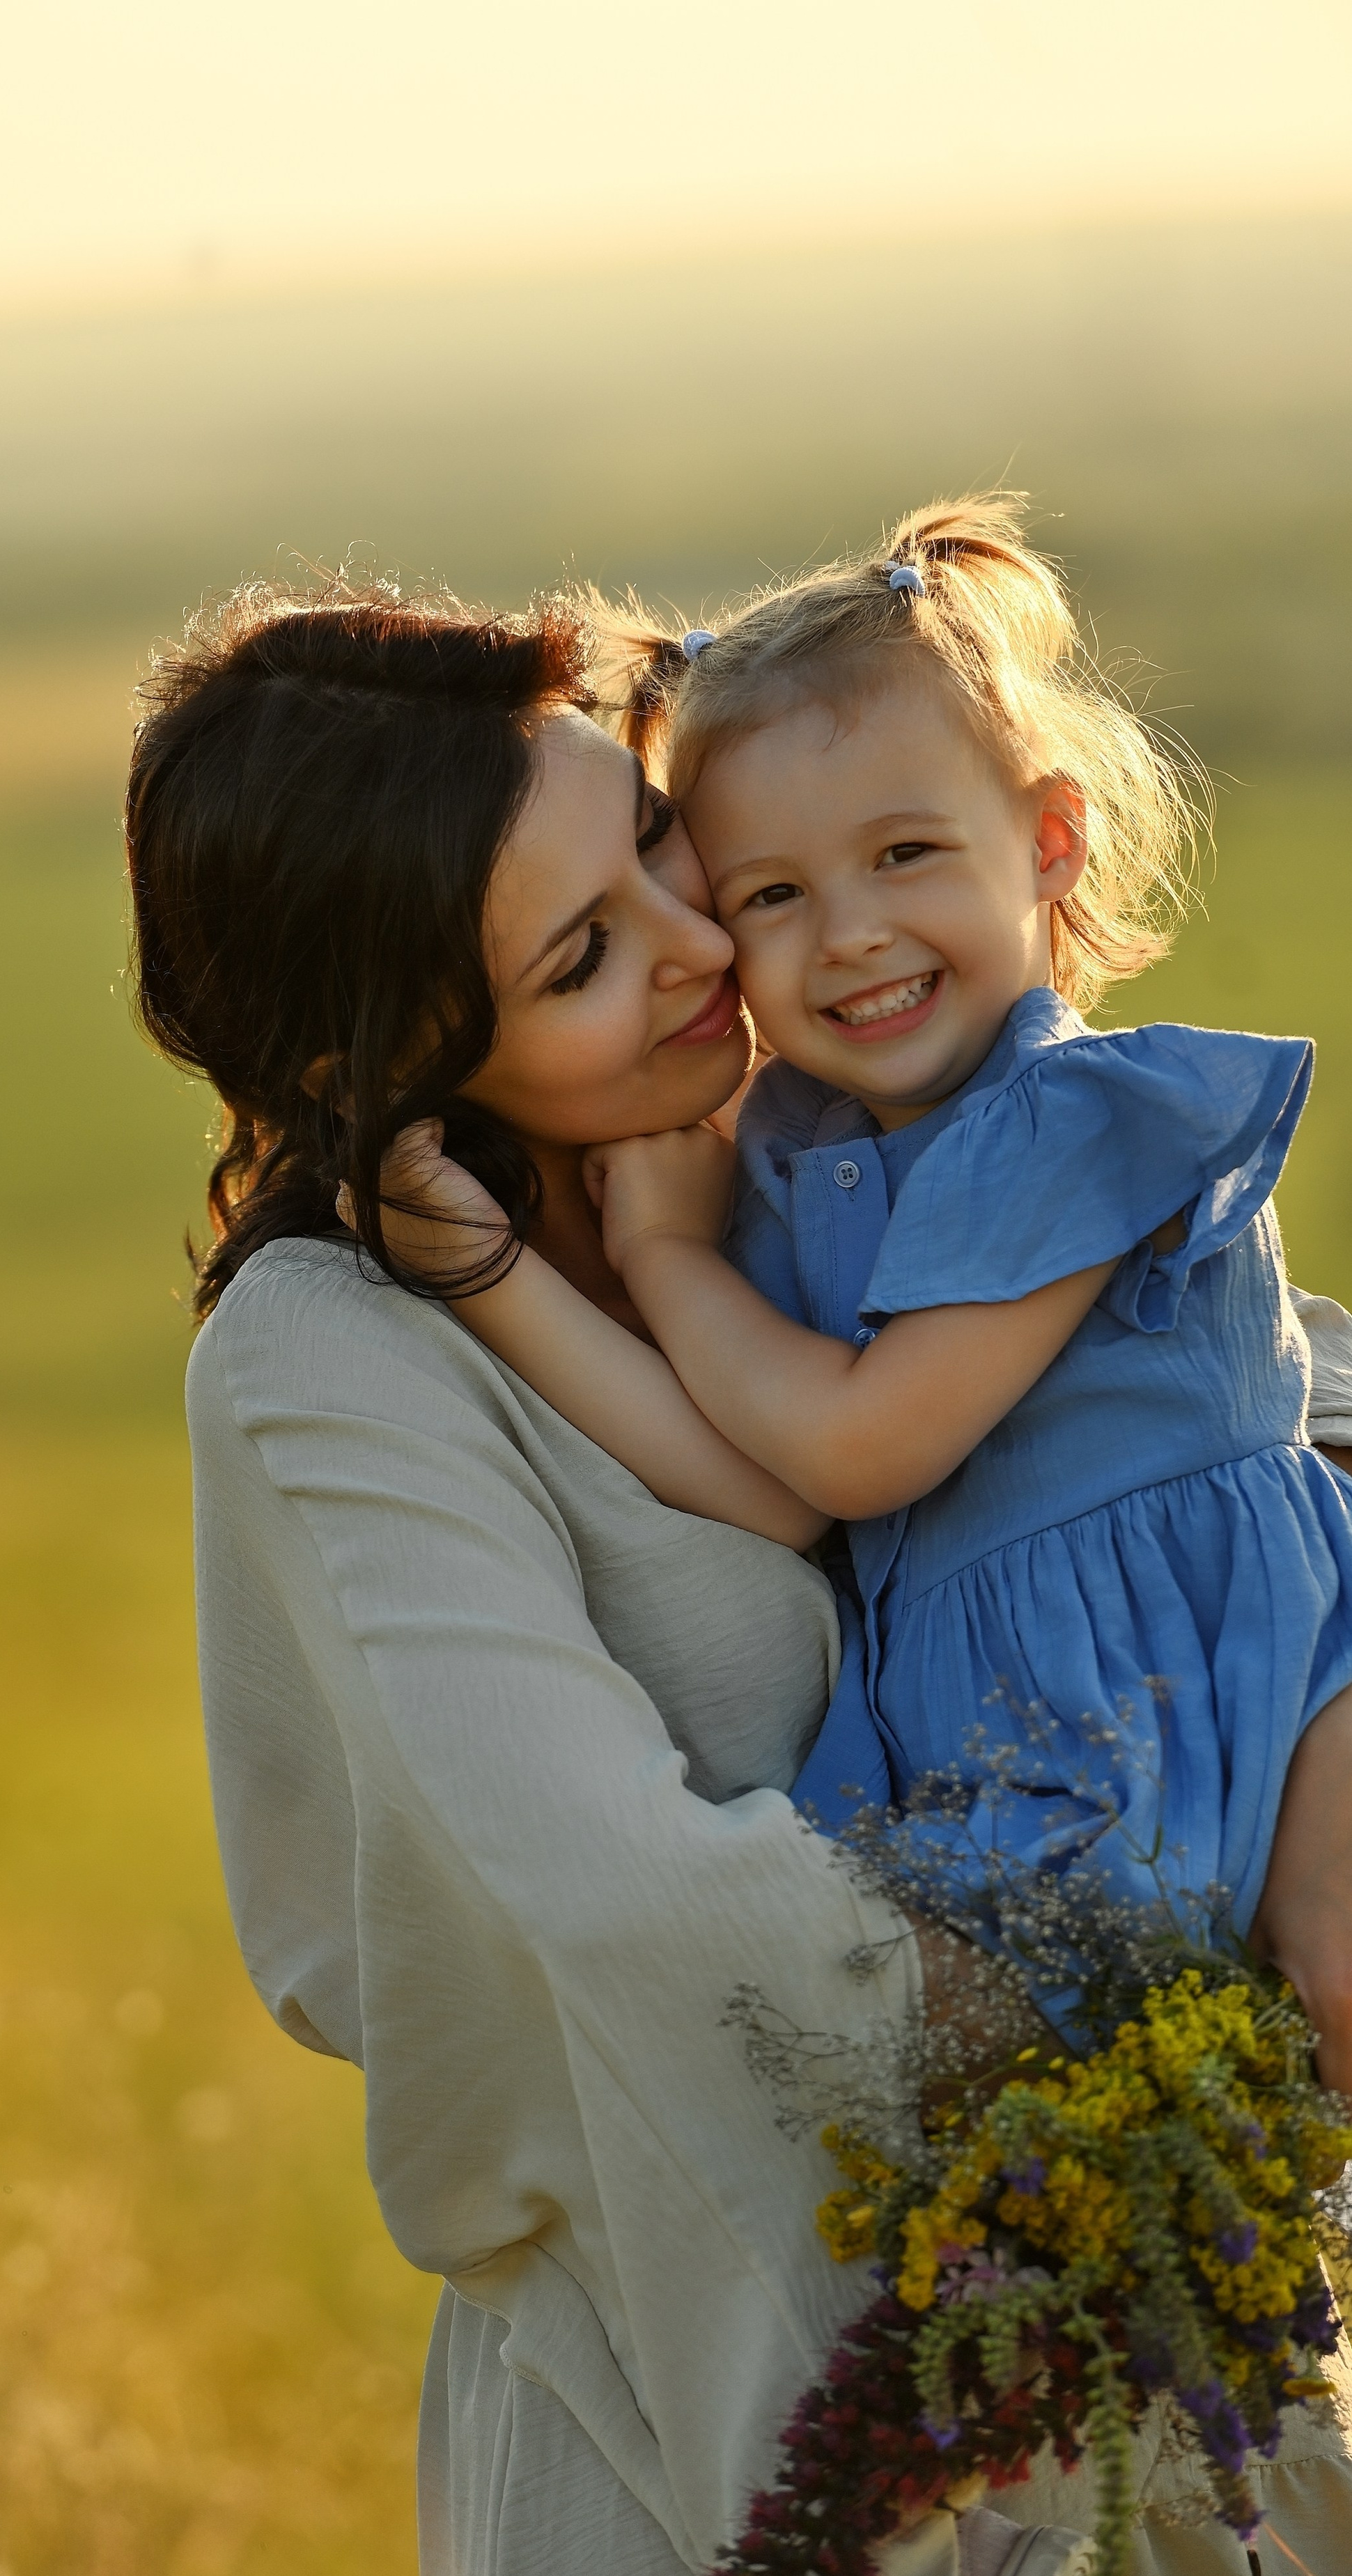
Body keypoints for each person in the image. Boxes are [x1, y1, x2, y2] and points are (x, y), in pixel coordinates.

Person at [125, 579, 1352, 2576]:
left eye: (655, 853)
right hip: (727, 2405)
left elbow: (1265, 1397)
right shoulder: (336, 1352)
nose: (706, 951)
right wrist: (1096, 2012)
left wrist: (1314, 1754)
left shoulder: (787, 1141)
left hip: (1149, 2339)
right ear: (384, 1053)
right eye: (583, 957)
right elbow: (622, 1912)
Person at [373, 500, 1352, 2090]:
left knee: (1297, 2018)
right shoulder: (800, 1152)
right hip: (1025, 1740)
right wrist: (486, 1277)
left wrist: (665, 1259)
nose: (850, 937)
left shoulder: (1067, 1121)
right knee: (1023, 2120)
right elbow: (767, 1490)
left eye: (904, 854)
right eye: (771, 894)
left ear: (1048, 841)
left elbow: (853, 1450)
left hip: (1220, 1682)